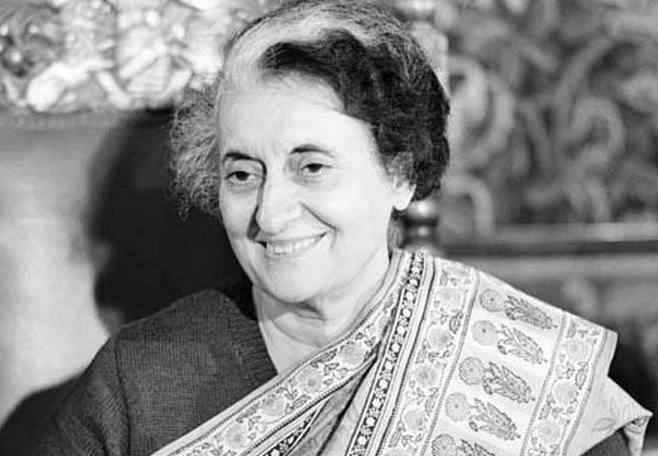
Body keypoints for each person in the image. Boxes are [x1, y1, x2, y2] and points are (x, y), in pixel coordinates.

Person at [32, 1, 651, 455]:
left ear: (400, 174)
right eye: (242, 174)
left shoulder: (533, 378)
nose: (270, 213)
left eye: (312, 167)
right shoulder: (140, 383)